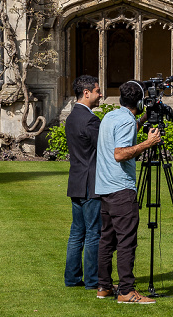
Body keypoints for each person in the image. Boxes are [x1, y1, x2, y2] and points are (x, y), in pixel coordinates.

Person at [94, 80, 162, 304]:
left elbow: (127, 126)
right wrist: (148, 143)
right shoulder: (125, 121)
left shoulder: (112, 116)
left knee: (107, 240)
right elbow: (120, 154)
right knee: (126, 242)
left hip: (105, 188)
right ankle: (126, 291)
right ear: (141, 101)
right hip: (121, 189)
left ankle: (103, 286)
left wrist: (143, 119)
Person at [64, 75, 103, 289]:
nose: (100, 95)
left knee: (76, 233)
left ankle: (72, 278)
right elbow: (103, 148)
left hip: (77, 182)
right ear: (86, 93)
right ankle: (93, 280)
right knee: (93, 233)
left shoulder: (71, 117)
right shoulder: (90, 119)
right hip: (90, 184)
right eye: (97, 91)